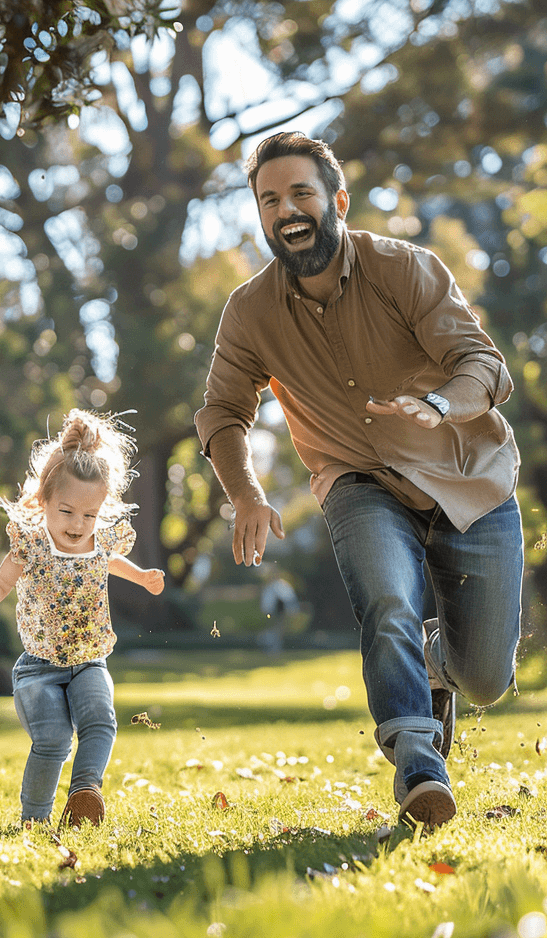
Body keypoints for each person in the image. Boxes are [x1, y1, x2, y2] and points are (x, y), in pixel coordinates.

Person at [195, 130, 522, 828]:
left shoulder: (403, 268)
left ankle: (439, 666)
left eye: (302, 193)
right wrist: (246, 494)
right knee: (387, 600)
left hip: (467, 480)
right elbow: (223, 412)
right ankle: (417, 764)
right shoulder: (250, 311)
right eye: (270, 198)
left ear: (337, 199)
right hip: (357, 481)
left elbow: (485, 367)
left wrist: (437, 406)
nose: (287, 209)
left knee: (486, 678)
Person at [0, 410, 165, 829]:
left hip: (90, 660)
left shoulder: (99, 540)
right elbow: (1, 585)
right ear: (43, 500)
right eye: (66, 512)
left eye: (90, 515)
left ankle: (85, 793)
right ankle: (35, 820)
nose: (79, 525)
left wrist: (140, 576)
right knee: (53, 740)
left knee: (101, 720)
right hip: (38, 670)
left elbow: (110, 560)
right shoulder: (31, 545)